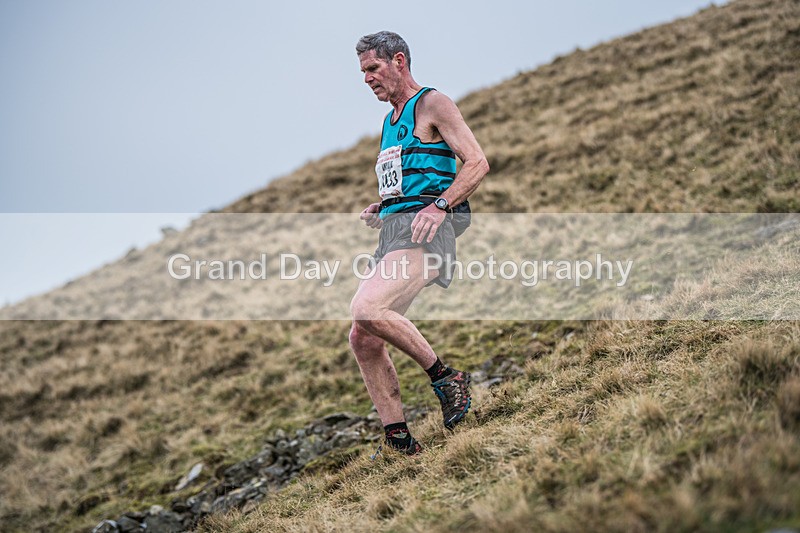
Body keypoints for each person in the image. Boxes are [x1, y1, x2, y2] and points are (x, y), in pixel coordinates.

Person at [350, 31, 490, 455]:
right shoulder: (390, 121)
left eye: (373, 69)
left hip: (428, 231)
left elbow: (478, 162)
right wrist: (384, 206)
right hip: (397, 229)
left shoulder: (432, 103)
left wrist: (440, 206)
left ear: (399, 61)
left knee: (366, 308)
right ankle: (399, 440)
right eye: (362, 73)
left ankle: (447, 379)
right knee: (363, 337)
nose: (368, 79)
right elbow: (409, 181)